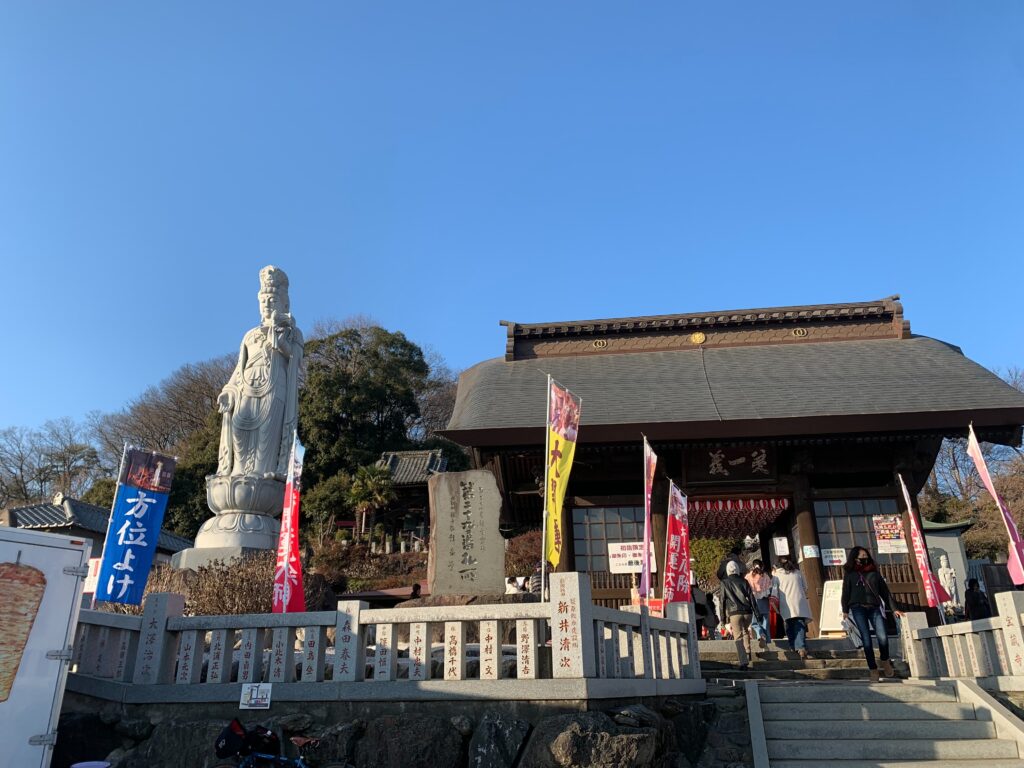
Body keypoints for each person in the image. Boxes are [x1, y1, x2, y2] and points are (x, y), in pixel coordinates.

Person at [841, 546, 902, 681]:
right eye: (861, 556)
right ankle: (873, 669)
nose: (864, 558)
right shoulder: (850, 574)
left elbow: (885, 592)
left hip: (874, 607)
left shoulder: (874, 573)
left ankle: (885, 660)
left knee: (883, 637)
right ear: (854, 558)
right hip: (857, 608)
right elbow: (845, 592)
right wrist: (845, 610)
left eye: (865, 555)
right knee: (866, 639)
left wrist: (894, 609)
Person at [720, 560, 761, 671]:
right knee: (746, 631)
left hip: (734, 613)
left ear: (727, 571)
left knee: (738, 637)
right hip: (747, 612)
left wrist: (723, 619)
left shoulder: (725, 582)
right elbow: (751, 598)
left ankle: (743, 661)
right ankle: (748, 652)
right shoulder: (744, 581)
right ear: (737, 570)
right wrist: (757, 614)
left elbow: (722, 601)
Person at [772, 555, 812, 659]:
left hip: (785, 604)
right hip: (799, 602)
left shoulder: (777, 575)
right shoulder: (798, 573)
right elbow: (805, 587)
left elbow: (774, 591)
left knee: (789, 625)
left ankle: (793, 646)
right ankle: (801, 647)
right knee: (799, 624)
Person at [745, 560, 772, 650]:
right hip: (764, 601)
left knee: (755, 623)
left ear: (753, 566)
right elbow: (770, 588)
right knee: (765, 622)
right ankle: (766, 644)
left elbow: (746, 590)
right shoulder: (766, 576)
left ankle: (761, 634)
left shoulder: (748, 576)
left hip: (754, 602)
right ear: (762, 566)